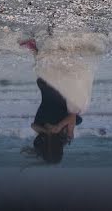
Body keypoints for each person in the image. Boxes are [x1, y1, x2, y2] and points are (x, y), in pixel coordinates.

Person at [21, 32, 102, 164]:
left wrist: (47, 132)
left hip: (47, 93)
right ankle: (57, 42)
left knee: (42, 69)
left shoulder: (42, 133)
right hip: (61, 95)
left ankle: (35, 48)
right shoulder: (67, 136)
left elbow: (33, 125)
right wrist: (58, 126)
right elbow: (72, 117)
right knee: (51, 67)